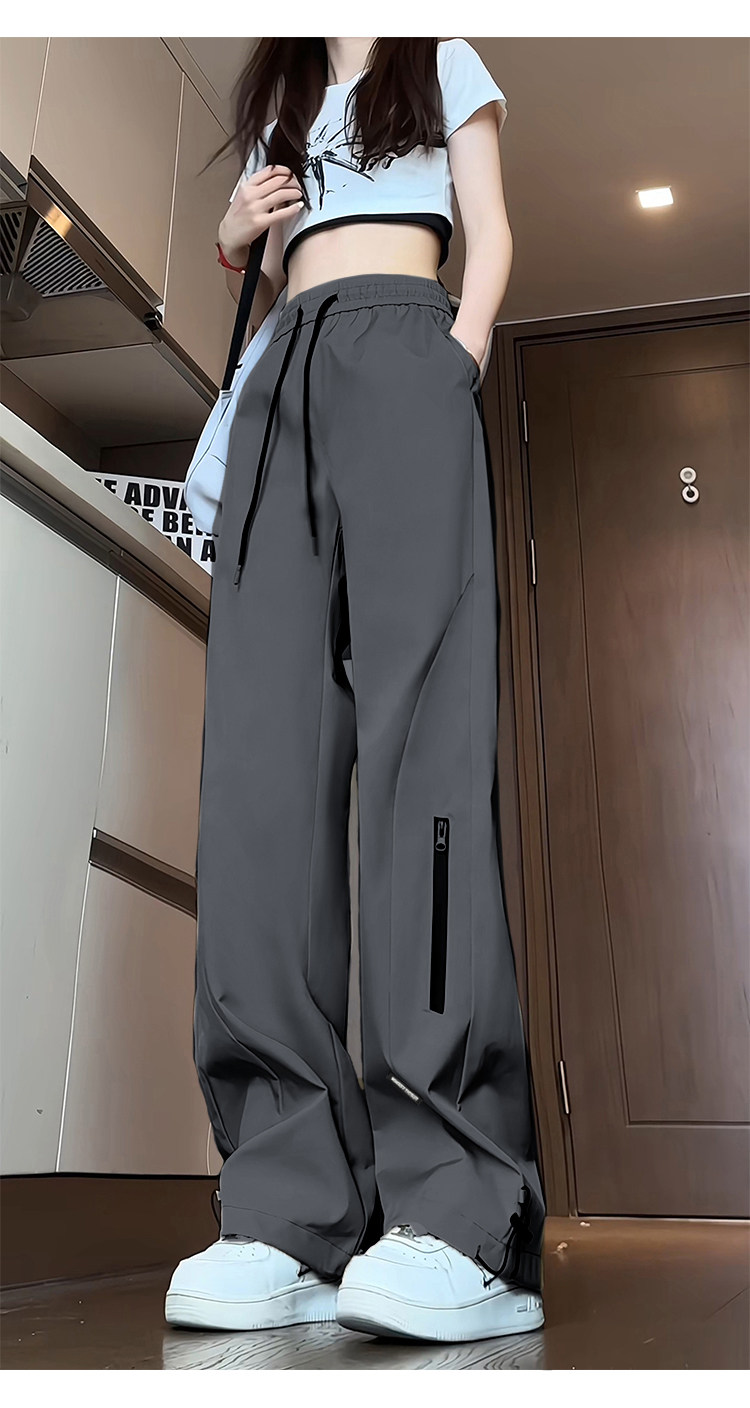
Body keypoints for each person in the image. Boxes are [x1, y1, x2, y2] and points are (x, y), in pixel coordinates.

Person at [166, 36, 546, 1345]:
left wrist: (459, 357)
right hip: (281, 373)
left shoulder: (439, 57)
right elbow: (267, 256)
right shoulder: (275, 88)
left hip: (405, 348)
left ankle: (456, 1209)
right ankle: (285, 1211)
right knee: (260, 778)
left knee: (420, 762)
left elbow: (490, 228)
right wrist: (235, 237)